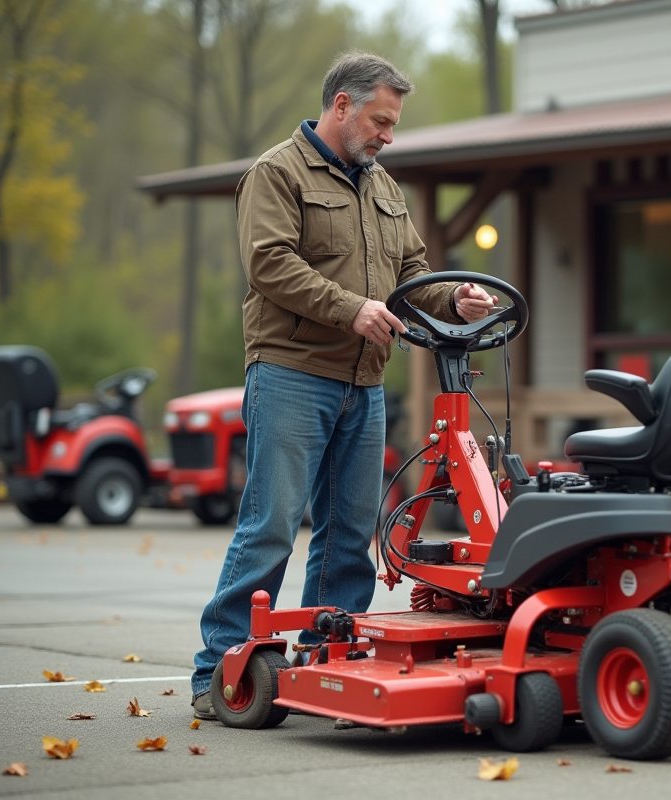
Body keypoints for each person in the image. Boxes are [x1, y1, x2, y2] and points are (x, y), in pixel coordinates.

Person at [191, 52, 495, 719]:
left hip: (365, 383)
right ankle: (218, 673)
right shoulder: (276, 173)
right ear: (342, 106)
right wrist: (350, 307)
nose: (388, 135)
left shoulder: (384, 187)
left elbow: (413, 274)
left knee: (351, 531)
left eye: (393, 125)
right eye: (381, 121)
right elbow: (270, 264)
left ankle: (324, 663)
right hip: (293, 374)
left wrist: (458, 299)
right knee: (272, 524)